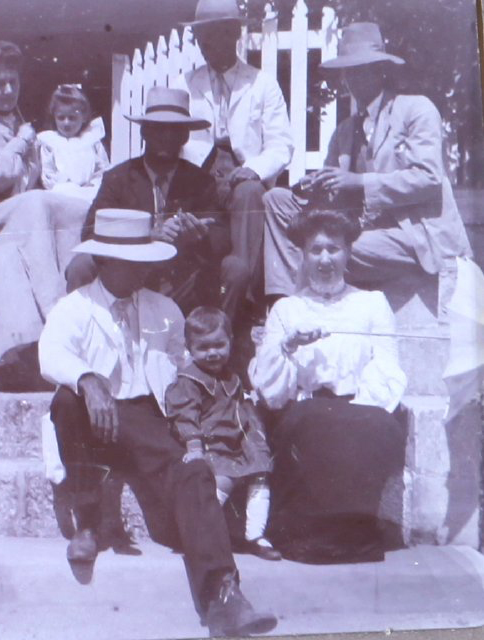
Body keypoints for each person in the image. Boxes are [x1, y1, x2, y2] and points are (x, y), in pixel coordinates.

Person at [40, 208, 277, 637]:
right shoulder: (74, 307)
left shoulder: (164, 308)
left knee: (193, 470)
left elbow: (185, 367)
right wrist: (88, 379)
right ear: (107, 262)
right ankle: (88, 523)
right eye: (134, 262)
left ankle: (224, 595)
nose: (145, 270)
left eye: (146, 260)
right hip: (94, 419)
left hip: (148, 418)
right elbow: (50, 355)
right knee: (66, 401)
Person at [263, 22, 472, 297]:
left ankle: (306, 302)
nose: (354, 79)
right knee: (276, 200)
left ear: (382, 70)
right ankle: (284, 301)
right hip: (364, 231)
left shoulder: (416, 110)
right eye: (348, 72)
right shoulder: (345, 131)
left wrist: (359, 182)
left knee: (328, 251)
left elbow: (429, 178)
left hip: (415, 233)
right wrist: (319, 186)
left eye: (363, 69)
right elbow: (336, 197)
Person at [249, 208, 407, 563]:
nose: (324, 260)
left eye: (333, 249)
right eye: (315, 250)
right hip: (304, 409)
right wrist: (287, 346)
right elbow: (272, 393)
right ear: (302, 256)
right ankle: (310, 538)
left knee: (375, 425)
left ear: (348, 253)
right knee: (315, 422)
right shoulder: (286, 310)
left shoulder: (371, 304)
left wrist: (358, 406)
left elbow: (386, 366)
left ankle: (355, 536)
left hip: (359, 406)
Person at [0, 41, 89, 372]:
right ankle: (55, 315)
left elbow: (37, 179)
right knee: (37, 203)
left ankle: (85, 306)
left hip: (20, 214)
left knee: (77, 209)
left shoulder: (23, 125)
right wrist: (22, 141)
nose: (8, 90)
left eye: (14, 82)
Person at [67, 86, 249, 320]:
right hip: (128, 279)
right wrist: (148, 235)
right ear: (144, 132)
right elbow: (90, 232)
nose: (166, 138)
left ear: (185, 136)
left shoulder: (201, 181)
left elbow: (222, 236)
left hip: (181, 281)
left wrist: (198, 235)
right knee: (81, 265)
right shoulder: (119, 178)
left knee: (234, 269)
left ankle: (214, 344)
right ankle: (85, 336)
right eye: (158, 130)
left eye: (175, 131)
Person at [176, 0, 294, 310]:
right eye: (200, 37)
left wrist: (254, 169)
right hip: (199, 175)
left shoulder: (261, 83)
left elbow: (281, 145)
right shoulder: (187, 83)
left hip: (244, 174)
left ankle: (245, 296)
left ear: (233, 34)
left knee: (249, 191)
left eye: (213, 35)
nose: (205, 45)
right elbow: (174, 136)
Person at [165, 306, 280, 561]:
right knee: (223, 481)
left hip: (239, 441)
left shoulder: (231, 377)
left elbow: (240, 408)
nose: (212, 353)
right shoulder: (189, 380)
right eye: (203, 348)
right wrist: (194, 447)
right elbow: (185, 415)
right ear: (189, 348)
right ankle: (197, 533)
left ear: (230, 341)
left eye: (219, 345)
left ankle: (255, 535)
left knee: (260, 475)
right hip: (212, 444)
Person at [37, 83, 110, 202]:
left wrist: (93, 185)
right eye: (61, 118)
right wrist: (67, 186)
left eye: (72, 118)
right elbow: (48, 173)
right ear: (54, 117)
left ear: (84, 117)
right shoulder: (51, 142)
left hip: (89, 192)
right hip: (61, 193)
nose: (66, 123)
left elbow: (102, 169)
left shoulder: (91, 140)